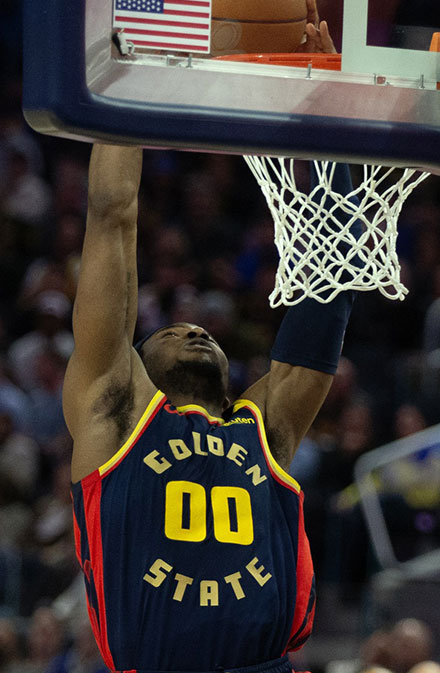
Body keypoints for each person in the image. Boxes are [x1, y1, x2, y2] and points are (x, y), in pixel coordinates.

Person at [64, 143, 351, 670]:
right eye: (172, 331)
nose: (195, 329)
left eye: (201, 331)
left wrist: (349, 169)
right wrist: (117, 112)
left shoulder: (261, 427)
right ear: (137, 368)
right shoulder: (117, 413)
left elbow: (319, 324)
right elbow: (112, 215)